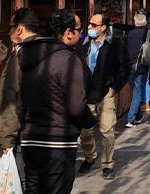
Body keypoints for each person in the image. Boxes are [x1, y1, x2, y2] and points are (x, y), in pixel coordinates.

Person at [17, 10, 96, 194]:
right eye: (79, 30)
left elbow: (20, 102)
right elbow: (76, 107)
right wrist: (91, 119)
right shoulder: (69, 61)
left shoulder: (28, 57)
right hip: (57, 144)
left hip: (31, 141)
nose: (81, 34)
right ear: (68, 32)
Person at [78, 12, 129, 180]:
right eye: (90, 23)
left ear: (103, 27)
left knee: (107, 130)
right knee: (85, 131)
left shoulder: (115, 44)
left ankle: (107, 164)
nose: (90, 27)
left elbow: (124, 68)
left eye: (94, 24)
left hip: (106, 92)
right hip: (86, 93)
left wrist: (114, 88)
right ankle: (90, 156)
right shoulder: (83, 43)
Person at [0, 8, 40, 152]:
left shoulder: (20, 55)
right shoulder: (45, 49)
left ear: (19, 29)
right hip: (42, 131)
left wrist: (7, 138)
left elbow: (11, 97)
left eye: (11, 28)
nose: (8, 33)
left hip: (22, 131)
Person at [125, 10, 150, 128]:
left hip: (130, 64)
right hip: (142, 64)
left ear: (135, 22)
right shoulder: (147, 33)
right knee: (138, 91)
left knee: (135, 90)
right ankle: (130, 118)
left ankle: (138, 116)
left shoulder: (129, 34)